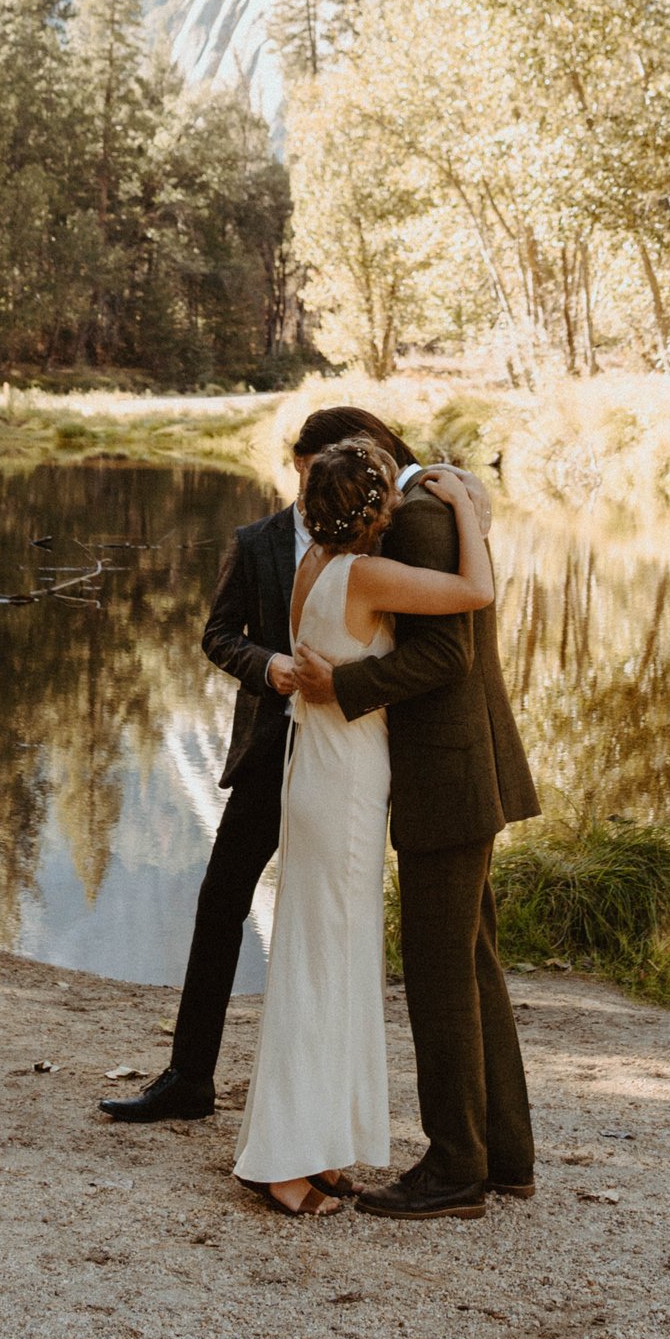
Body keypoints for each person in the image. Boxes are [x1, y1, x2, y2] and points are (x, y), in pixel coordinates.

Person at [103, 403, 480, 1127]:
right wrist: (267, 663)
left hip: (348, 757)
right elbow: (217, 635)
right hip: (268, 749)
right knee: (221, 901)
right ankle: (188, 1077)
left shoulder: (390, 535)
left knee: (333, 919)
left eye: (316, 476)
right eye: (302, 477)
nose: (308, 493)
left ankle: (325, 1100)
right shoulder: (259, 542)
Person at [232, 445, 498, 1216]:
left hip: (317, 772)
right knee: (326, 973)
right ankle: (283, 1167)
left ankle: (310, 1150)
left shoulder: (315, 559)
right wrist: (467, 512)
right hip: (344, 786)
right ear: (376, 509)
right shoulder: (363, 573)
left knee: (322, 967)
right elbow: (475, 591)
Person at [294, 448, 541, 1222]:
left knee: (440, 980)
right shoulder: (428, 511)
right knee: (472, 966)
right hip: (461, 771)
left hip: (449, 775)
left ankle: (456, 1168)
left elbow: (448, 651)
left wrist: (346, 685)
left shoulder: (422, 522)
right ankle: (504, 1155)